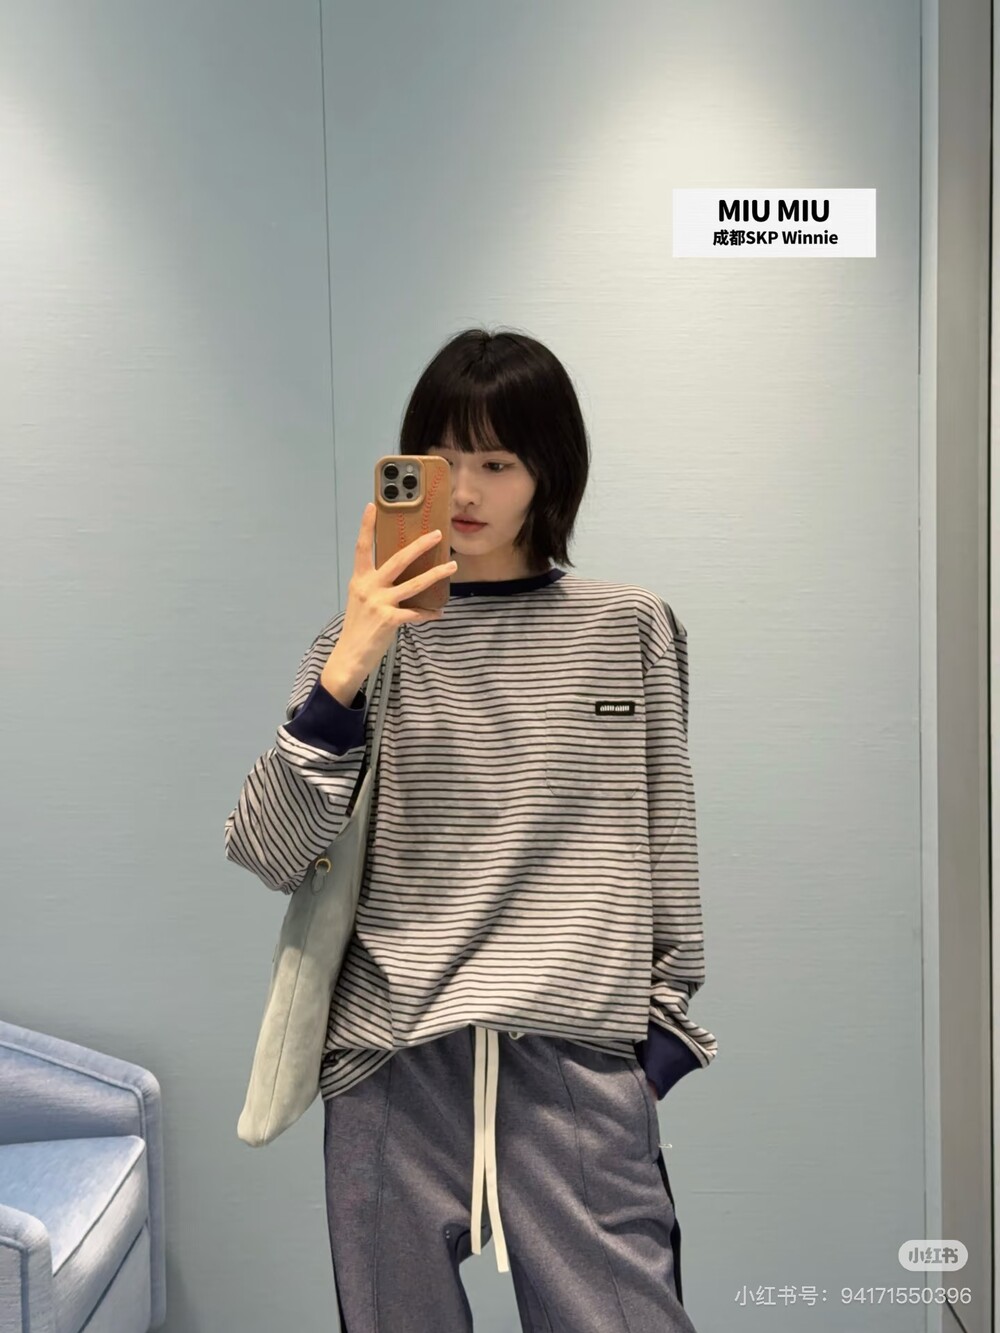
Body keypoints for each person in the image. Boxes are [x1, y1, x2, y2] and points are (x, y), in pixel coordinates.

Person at [224, 327, 717, 1332]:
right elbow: (269, 849)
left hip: (573, 1064)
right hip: (391, 1066)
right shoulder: (361, 647)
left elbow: (666, 834)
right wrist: (349, 665)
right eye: (443, 463)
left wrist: (659, 1037)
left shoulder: (627, 627)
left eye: (497, 462)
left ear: (549, 472)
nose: (468, 492)